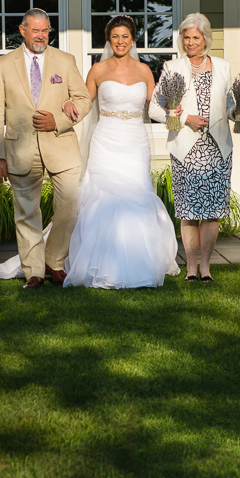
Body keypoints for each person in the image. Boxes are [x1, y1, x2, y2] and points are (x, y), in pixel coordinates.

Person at [60, 15, 179, 288]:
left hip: (135, 142)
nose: (120, 41)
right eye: (115, 36)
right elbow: (84, 103)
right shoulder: (98, 70)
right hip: (106, 140)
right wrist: (69, 104)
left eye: (125, 36)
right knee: (102, 197)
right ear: (108, 39)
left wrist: (173, 111)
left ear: (133, 39)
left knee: (136, 194)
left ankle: (140, 263)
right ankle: (100, 265)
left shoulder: (145, 71)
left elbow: (156, 106)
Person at [0, 8, 92, 289]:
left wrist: (57, 120)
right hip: (20, 150)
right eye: (36, 30)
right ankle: (34, 271)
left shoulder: (65, 61)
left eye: (46, 30)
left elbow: (83, 100)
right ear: (23, 31)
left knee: (69, 208)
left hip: (62, 147)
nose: (42, 36)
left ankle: (54, 261)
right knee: (26, 213)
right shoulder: (3, 65)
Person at [148, 12, 240, 283]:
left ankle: (206, 267)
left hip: (217, 151)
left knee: (213, 212)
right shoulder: (172, 68)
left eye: (196, 37)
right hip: (186, 151)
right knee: (189, 212)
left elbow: (229, 108)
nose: (191, 42)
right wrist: (183, 118)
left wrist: (238, 111)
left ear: (206, 39)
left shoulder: (223, 67)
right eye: (186, 37)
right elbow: (154, 108)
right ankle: (190, 267)